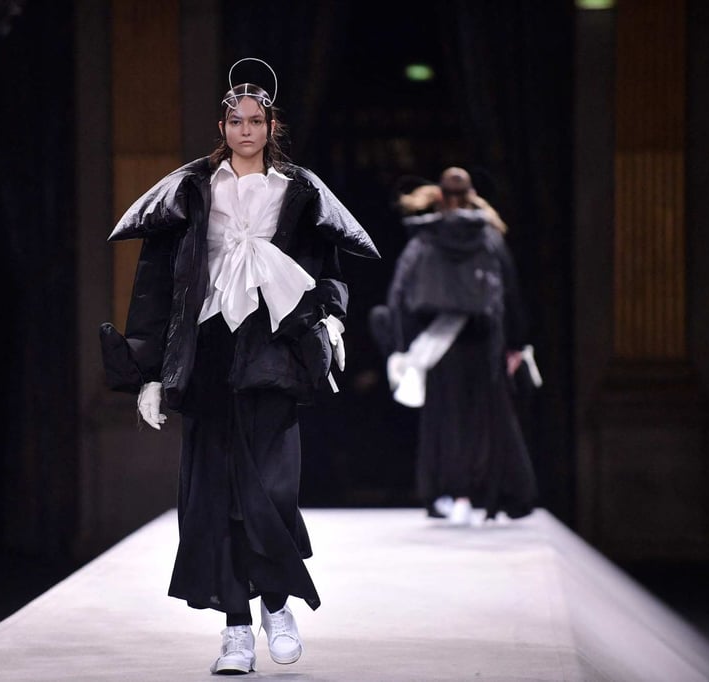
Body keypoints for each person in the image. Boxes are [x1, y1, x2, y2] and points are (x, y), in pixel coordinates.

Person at [99, 58, 378, 675]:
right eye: (235, 121)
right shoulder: (193, 187)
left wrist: (332, 320)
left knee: (270, 488)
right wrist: (148, 371)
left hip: (274, 348)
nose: (245, 130)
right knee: (212, 494)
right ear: (221, 126)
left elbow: (325, 264)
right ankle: (235, 631)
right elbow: (159, 280)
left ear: (272, 126)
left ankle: (275, 603)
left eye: (255, 120)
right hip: (209, 350)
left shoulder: (298, 190)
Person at [375, 167, 536, 526]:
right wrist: (516, 343)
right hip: (484, 337)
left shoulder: (424, 240)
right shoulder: (489, 237)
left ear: (439, 196)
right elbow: (510, 291)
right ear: (472, 195)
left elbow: (400, 295)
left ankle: (448, 494)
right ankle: (490, 498)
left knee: (444, 419)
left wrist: (403, 346)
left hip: (438, 343)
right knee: (488, 419)